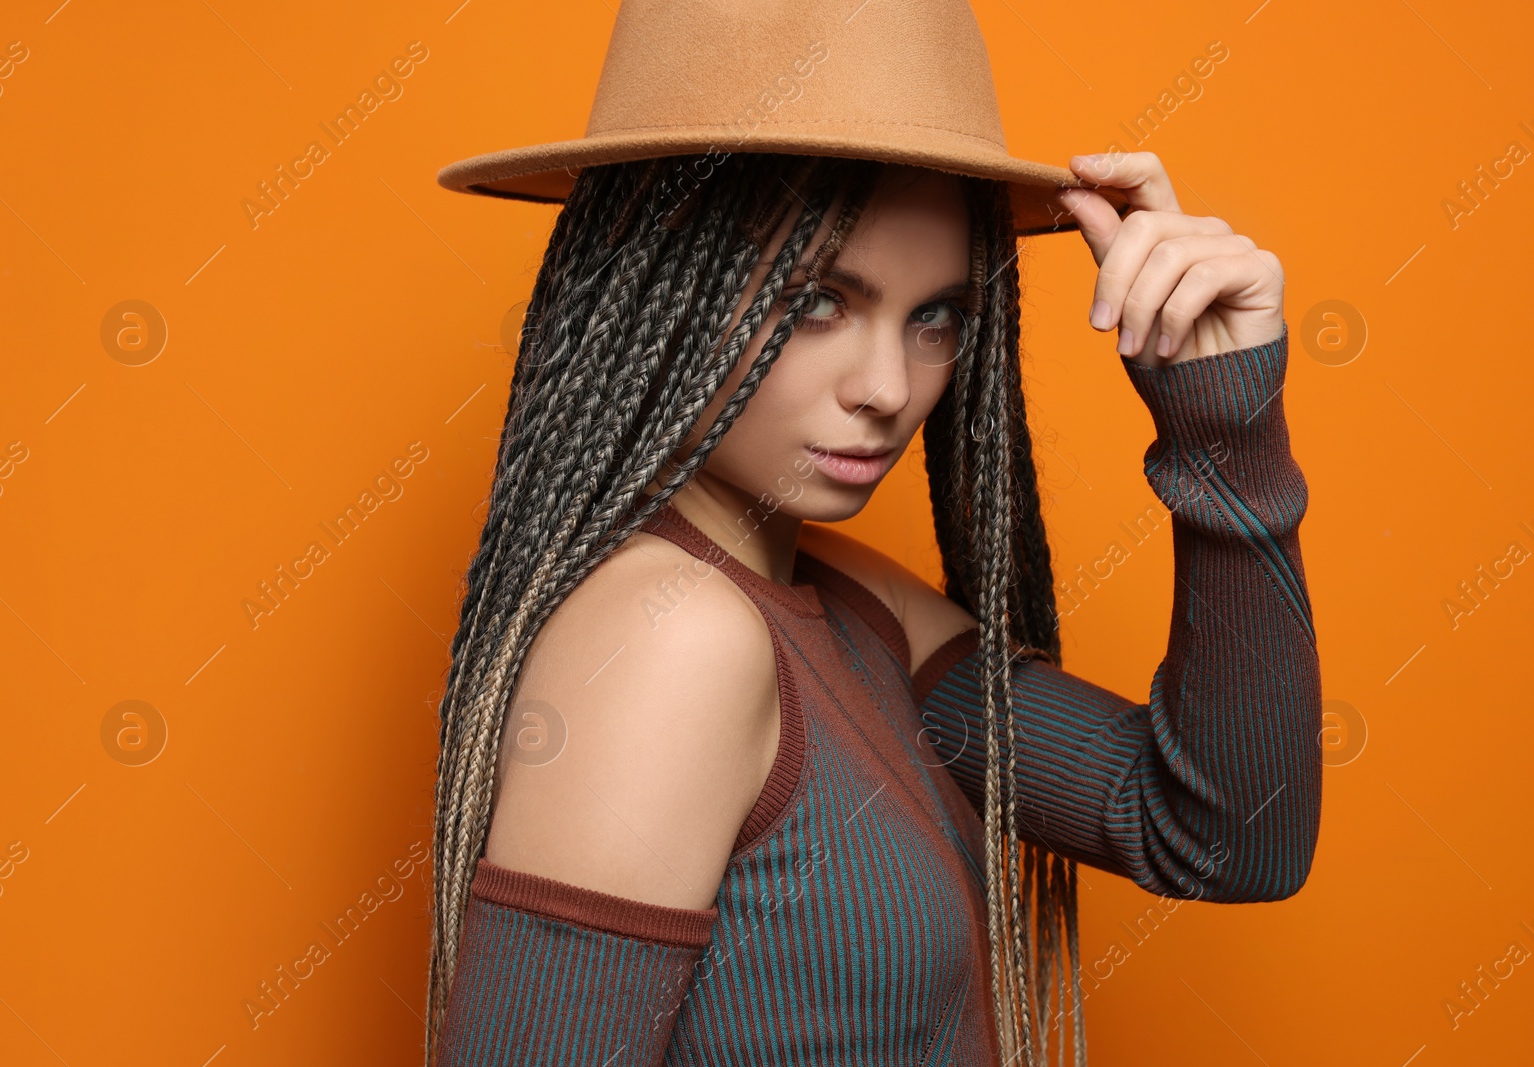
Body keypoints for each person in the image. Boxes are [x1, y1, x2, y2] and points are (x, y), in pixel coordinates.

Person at [423, 5, 1321, 1066]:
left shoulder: (851, 606)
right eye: (816, 302)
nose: (889, 389)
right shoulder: (672, 640)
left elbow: (1225, 832)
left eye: (934, 316)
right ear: (661, 282)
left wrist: (1223, 421)